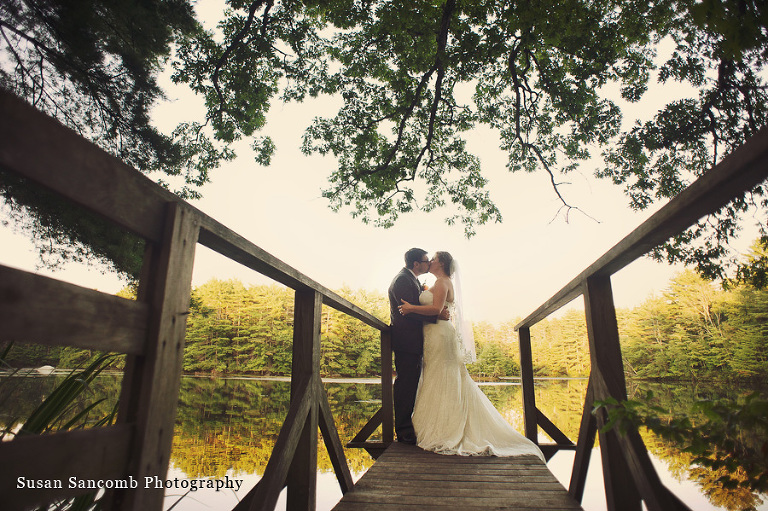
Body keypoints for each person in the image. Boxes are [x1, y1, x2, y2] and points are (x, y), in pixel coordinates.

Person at [399, 251, 545, 459]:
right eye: (428, 259)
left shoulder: (442, 283)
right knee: (436, 377)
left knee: (442, 376)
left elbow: (436, 309)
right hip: (434, 334)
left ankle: (446, 428)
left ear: (441, 263)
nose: (430, 261)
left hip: (440, 334)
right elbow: (438, 308)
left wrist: (411, 307)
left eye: (433, 259)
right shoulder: (440, 282)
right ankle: (438, 423)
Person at [388, 248, 448, 444]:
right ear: (416, 264)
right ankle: (404, 431)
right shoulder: (402, 280)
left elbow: (414, 307)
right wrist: (437, 315)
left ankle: (410, 427)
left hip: (413, 340)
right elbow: (407, 311)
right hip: (406, 340)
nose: (428, 262)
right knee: (406, 384)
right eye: (425, 260)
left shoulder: (410, 279)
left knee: (411, 383)